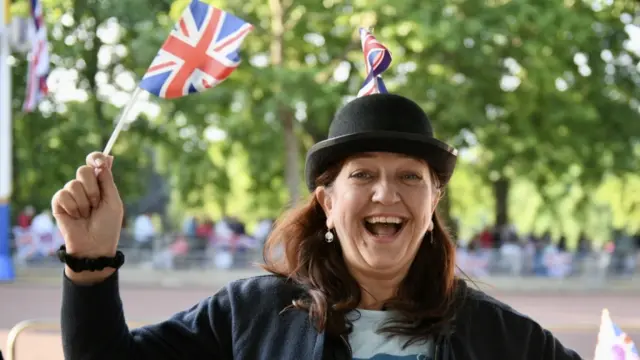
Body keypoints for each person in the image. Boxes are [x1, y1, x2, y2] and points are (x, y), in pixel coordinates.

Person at [52, 93, 582, 360]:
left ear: (433, 200)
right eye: (363, 174)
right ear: (327, 202)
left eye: (408, 177)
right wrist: (90, 263)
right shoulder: (250, 314)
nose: (386, 193)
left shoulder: (496, 334)